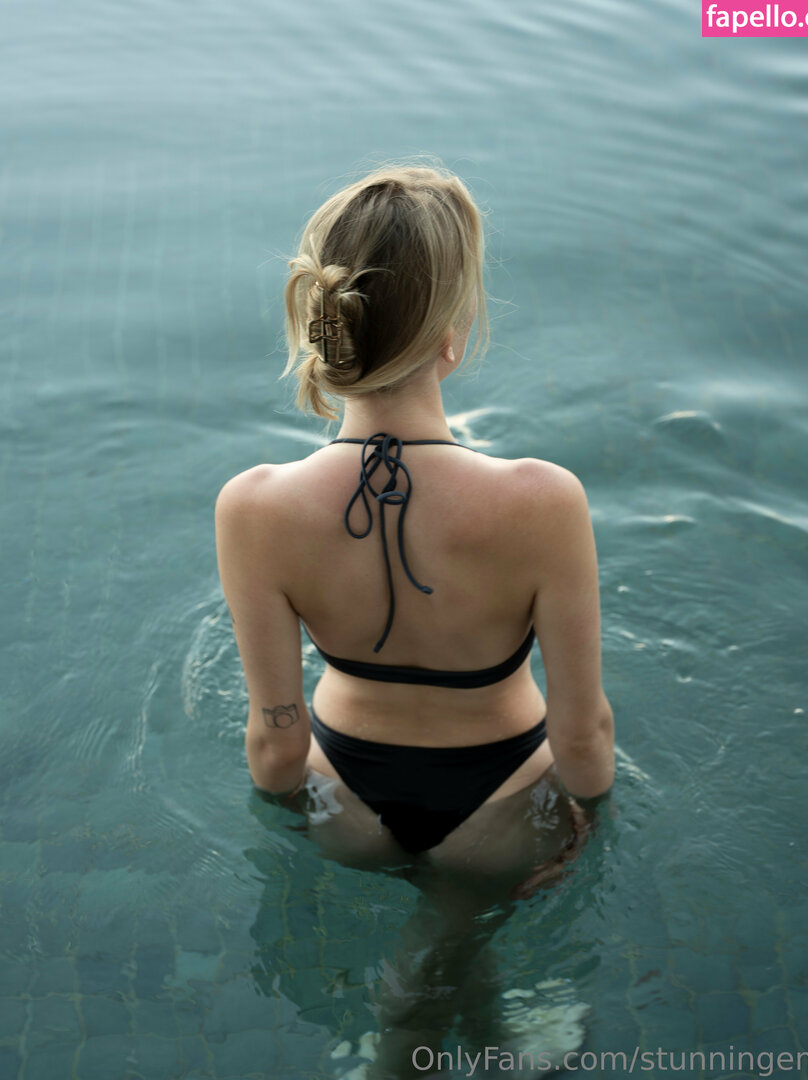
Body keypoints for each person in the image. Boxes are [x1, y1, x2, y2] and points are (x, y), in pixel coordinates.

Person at [215, 161, 615, 1073]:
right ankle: (413, 1016)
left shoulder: (254, 505)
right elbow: (583, 733)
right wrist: (584, 822)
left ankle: (476, 1031)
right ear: (453, 339)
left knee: (451, 963)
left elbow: (274, 746)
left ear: (325, 327)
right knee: (448, 936)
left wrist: (306, 813)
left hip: (345, 806)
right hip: (505, 805)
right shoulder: (543, 500)